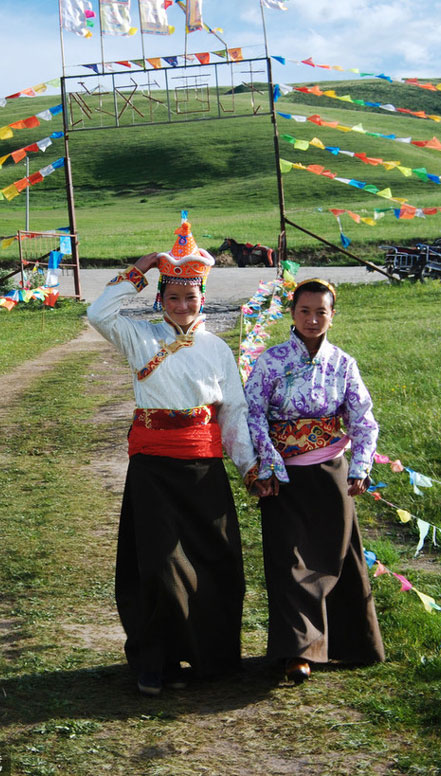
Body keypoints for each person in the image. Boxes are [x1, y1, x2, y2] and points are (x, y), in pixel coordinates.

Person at [86, 216, 263, 697]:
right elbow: (99, 314)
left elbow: (233, 412)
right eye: (173, 297)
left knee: (215, 562)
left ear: (203, 297)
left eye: (191, 297)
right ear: (159, 299)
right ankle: (156, 662)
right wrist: (141, 268)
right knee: (159, 566)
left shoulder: (218, 349)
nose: (182, 306)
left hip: (204, 470)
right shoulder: (138, 337)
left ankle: (211, 658)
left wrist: (248, 466)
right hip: (154, 469)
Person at [244, 278, 385, 684]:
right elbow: (252, 413)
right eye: (304, 311)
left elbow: (363, 420)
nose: (312, 319)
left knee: (338, 557)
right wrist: (268, 463)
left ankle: (352, 643)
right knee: (289, 561)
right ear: (292, 313)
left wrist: (360, 467)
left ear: (332, 316)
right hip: (283, 477)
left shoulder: (343, 364)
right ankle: (297, 652)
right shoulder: (270, 362)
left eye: (321, 312)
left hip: (330, 473)